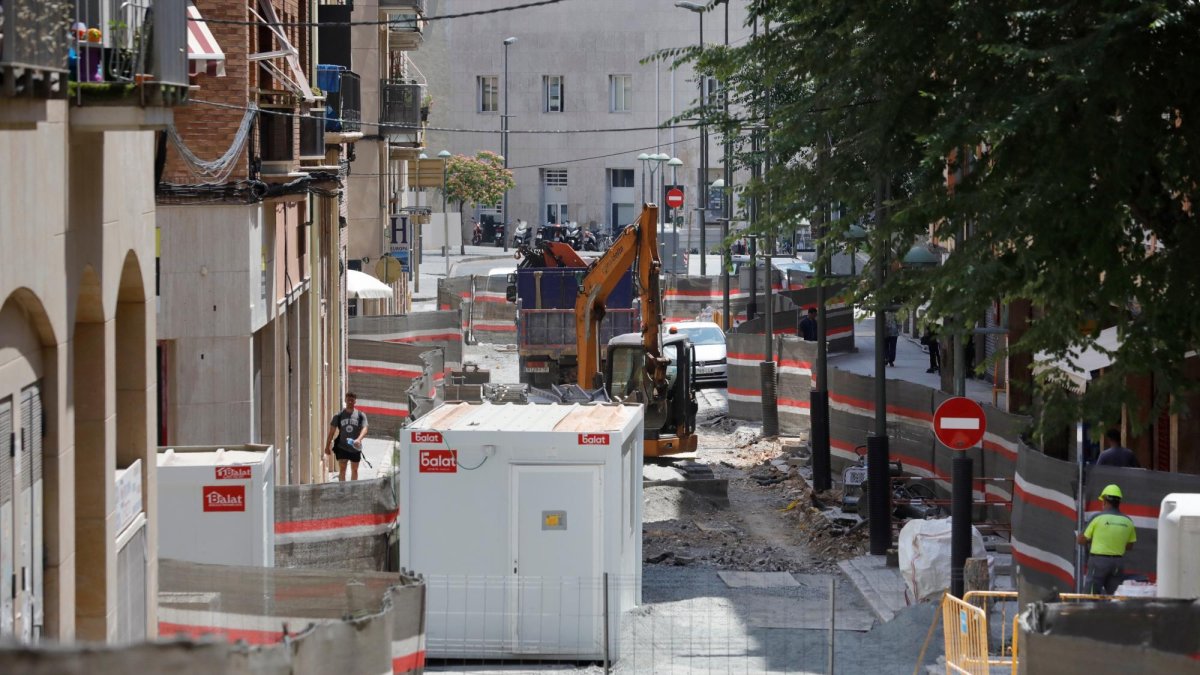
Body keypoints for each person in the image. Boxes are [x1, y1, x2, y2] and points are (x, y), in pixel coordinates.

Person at [1076, 484, 1137, 595]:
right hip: (1118, 564)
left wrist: (1095, 538)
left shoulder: (1097, 518)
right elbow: (1129, 546)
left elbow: (1081, 540)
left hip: (1098, 562)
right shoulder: (1128, 521)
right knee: (1115, 597)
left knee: (1090, 596)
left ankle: (1090, 613)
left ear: (1104, 501)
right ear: (1119, 502)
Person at [324, 392, 369, 481]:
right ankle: (342, 490)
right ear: (345, 400)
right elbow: (331, 432)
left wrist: (359, 439)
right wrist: (327, 447)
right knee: (342, 470)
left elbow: (365, 429)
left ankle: (352, 489)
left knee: (355, 470)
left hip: (355, 447)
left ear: (355, 401)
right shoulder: (338, 416)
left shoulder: (360, 415)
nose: (350, 402)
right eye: (348, 400)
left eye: (352, 400)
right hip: (342, 447)